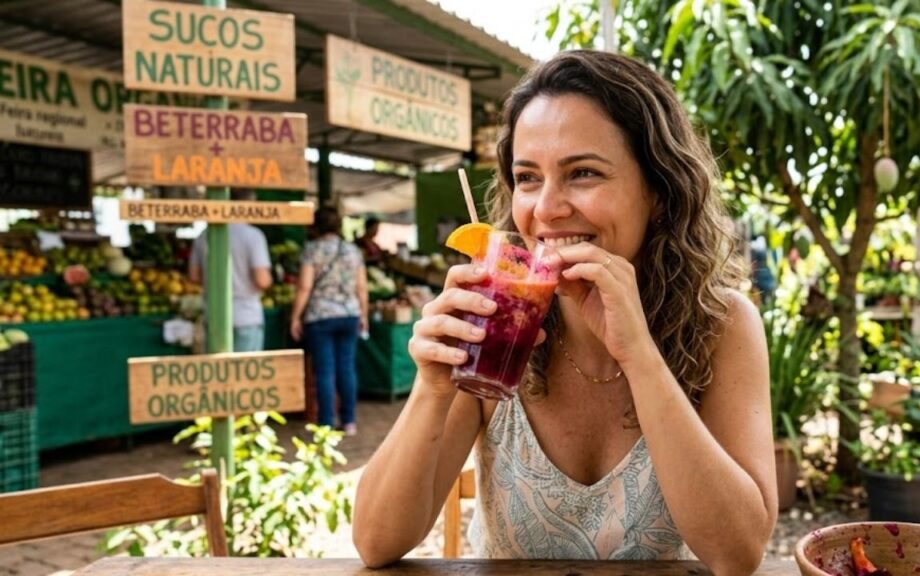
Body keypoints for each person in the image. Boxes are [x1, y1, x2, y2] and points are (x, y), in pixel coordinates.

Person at [352, 50, 776, 574]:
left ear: (660, 192)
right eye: (528, 178)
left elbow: (738, 555)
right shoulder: (496, 327)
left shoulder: (723, 325)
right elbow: (376, 542)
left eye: (583, 173)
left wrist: (640, 355)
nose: (546, 209)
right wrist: (432, 389)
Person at [290, 206, 369, 435]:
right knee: (346, 367)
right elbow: (361, 288)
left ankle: (325, 423)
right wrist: (363, 314)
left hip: (320, 316)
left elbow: (304, 286)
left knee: (325, 370)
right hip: (349, 314)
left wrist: (296, 316)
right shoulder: (353, 251)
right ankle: (349, 422)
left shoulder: (312, 250)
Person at [188, 189, 272, 353]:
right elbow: (262, 280)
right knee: (246, 376)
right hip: (246, 315)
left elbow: (194, 276)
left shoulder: (203, 236)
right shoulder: (253, 236)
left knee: (215, 376)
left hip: (213, 316)